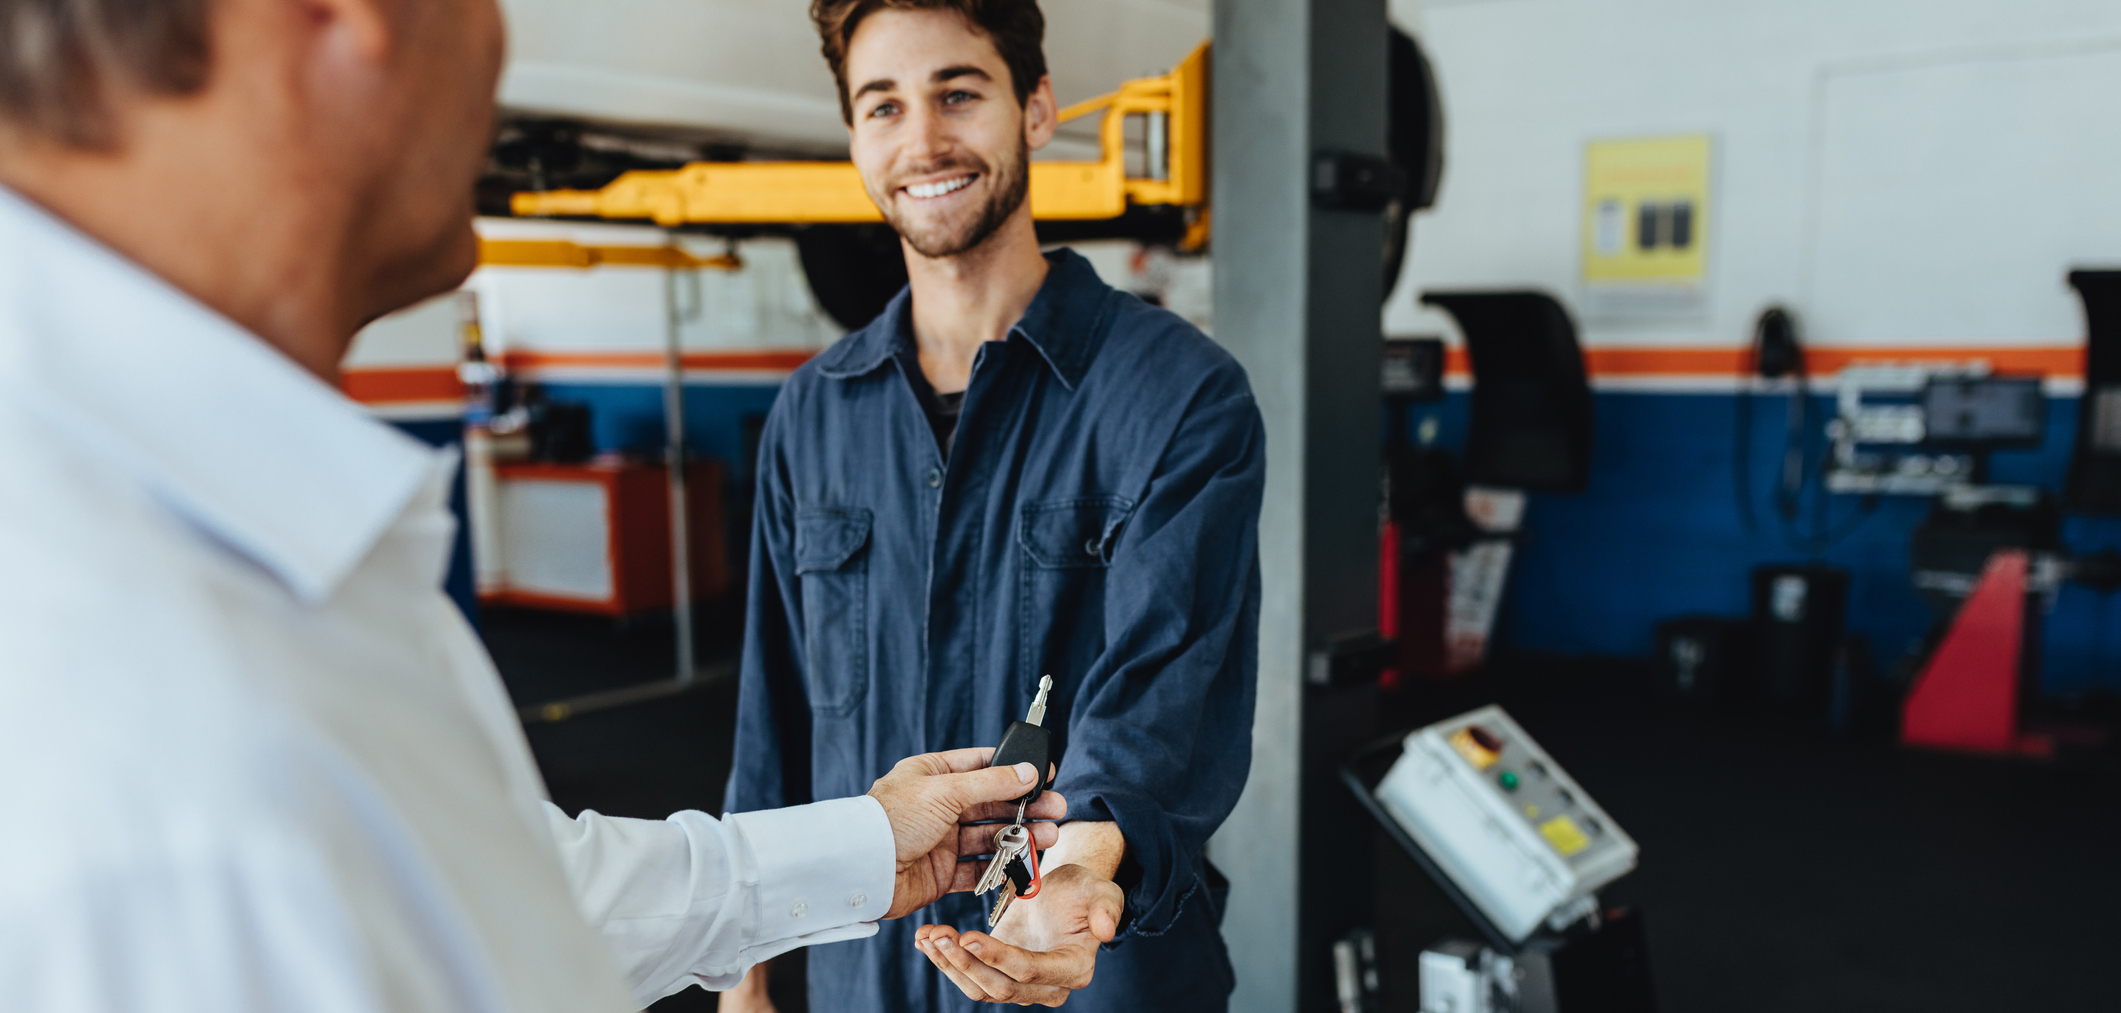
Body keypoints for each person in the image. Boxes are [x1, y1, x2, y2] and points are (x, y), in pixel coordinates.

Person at [0, 0, 1067, 1010]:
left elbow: (497, 881)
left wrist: (866, 845)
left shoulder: (213, 554)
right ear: (344, 15)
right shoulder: (146, 739)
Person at [722, 1, 1265, 1009]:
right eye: (883, 106)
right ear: (854, 138)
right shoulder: (813, 412)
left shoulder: (1180, 396)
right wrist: (746, 974)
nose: (922, 140)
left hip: (1085, 972)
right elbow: (776, 718)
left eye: (959, 94)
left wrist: (1078, 871)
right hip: (863, 976)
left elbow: (1160, 700)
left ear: (1037, 108)